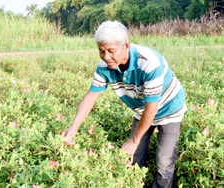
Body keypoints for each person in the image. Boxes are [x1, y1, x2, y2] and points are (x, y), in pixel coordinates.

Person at [61, 20, 187, 187]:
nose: (106, 57)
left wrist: (134, 141)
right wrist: (73, 129)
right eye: (101, 51)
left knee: (164, 163)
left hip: (169, 110)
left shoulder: (149, 63)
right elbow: (91, 96)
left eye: (111, 51)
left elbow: (152, 109)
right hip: (142, 110)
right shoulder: (104, 66)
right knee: (132, 159)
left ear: (126, 46)